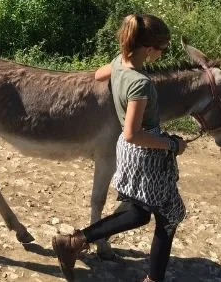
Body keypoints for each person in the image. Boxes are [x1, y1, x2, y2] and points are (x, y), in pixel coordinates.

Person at [52, 14, 187, 282]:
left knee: (138, 212)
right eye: (162, 49)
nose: (162, 54)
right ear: (149, 49)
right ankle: (77, 242)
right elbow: (132, 133)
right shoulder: (141, 83)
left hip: (128, 153)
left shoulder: (119, 63)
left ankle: (74, 242)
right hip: (145, 155)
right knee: (170, 213)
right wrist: (172, 143)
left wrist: (119, 71)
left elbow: (98, 74)